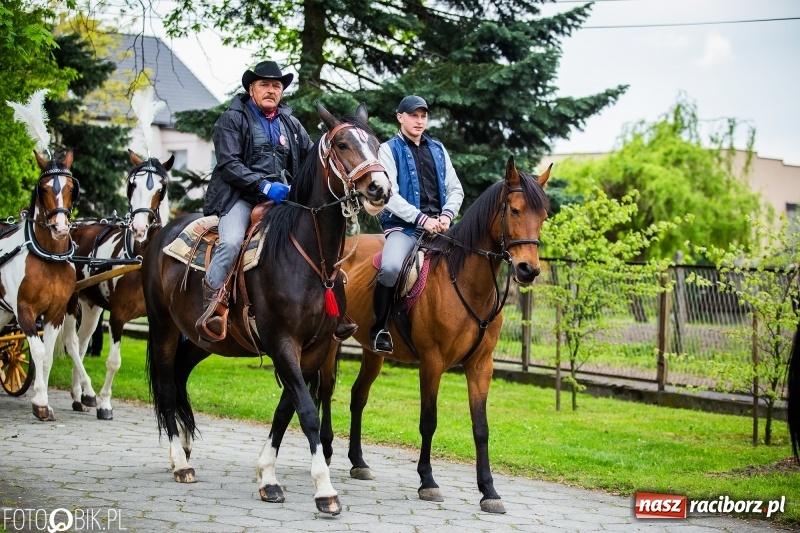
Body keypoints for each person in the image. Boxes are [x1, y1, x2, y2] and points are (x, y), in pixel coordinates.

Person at [197, 60, 313, 341]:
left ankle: (327, 309)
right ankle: (210, 307)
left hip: (285, 201)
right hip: (241, 197)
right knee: (232, 243)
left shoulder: (292, 124)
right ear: (252, 88)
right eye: (265, 85)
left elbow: (310, 160)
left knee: (317, 240)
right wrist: (263, 185)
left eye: (277, 86)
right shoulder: (232, 119)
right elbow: (228, 164)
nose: (272, 90)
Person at [372, 95, 464, 353]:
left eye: (423, 116)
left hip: (442, 228)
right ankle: (379, 328)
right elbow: (388, 194)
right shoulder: (388, 150)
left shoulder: (438, 149)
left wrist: (446, 215)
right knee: (390, 268)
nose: (419, 120)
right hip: (405, 228)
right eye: (413, 115)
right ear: (400, 117)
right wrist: (422, 219)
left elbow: (455, 189)